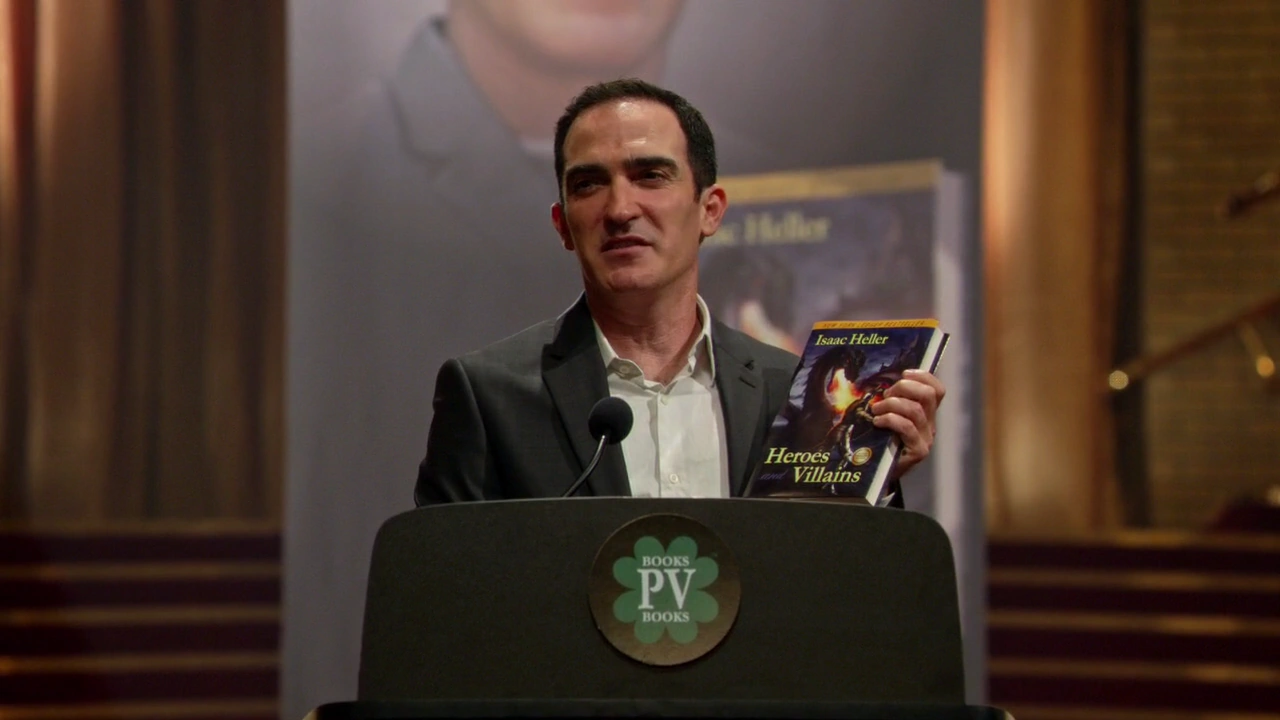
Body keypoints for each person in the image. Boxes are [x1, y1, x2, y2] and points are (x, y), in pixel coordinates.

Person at [414, 79, 945, 506]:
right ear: (562, 225)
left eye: (650, 176)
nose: (620, 209)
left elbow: (829, 580)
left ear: (710, 211)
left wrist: (875, 473)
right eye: (589, 184)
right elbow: (448, 590)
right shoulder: (489, 396)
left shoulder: (792, 392)